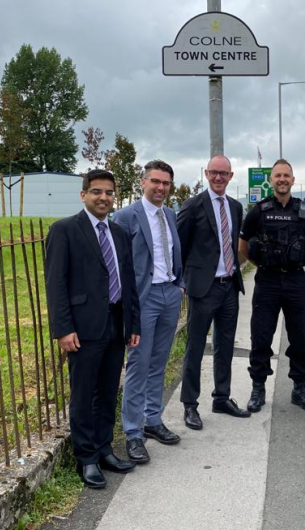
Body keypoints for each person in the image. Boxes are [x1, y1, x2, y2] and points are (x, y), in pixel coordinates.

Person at [45, 169, 141, 489]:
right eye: (97, 191)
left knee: (108, 392)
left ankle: (103, 449)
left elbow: (129, 283)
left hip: (115, 324)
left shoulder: (120, 233)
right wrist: (63, 328)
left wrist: (133, 323)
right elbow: (56, 284)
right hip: (83, 328)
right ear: (83, 194)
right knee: (84, 395)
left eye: (109, 192)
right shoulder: (64, 230)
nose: (103, 198)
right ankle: (85, 458)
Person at [114, 160, 185, 463]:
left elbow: (174, 252)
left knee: (159, 361)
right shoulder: (125, 216)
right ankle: (133, 432)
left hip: (169, 294)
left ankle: (153, 419)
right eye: (155, 181)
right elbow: (117, 264)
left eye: (166, 183)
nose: (160, 187)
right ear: (142, 182)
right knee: (138, 365)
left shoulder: (170, 214)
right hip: (142, 301)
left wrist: (179, 285)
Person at [238, 159, 305, 412]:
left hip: (296, 280)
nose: (282, 179)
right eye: (278, 176)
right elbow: (243, 248)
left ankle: (299, 388)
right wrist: (263, 263)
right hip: (268, 281)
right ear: (271, 180)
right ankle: (258, 388)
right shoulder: (258, 211)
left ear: (293, 180)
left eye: (286, 175)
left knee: (300, 337)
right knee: (261, 336)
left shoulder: (304, 212)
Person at [177, 155, 248, 430]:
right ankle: (190, 404)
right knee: (195, 347)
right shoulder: (193, 205)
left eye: (224, 174)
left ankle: (221, 397)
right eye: (214, 173)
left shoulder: (235, 207)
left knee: (225, 346)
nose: (219, 178)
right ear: (206, 174)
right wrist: (182, 280)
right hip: (202, 288)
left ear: (231, 176)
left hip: (228, 286)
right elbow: (179, 247)